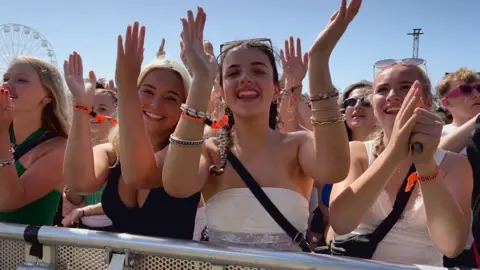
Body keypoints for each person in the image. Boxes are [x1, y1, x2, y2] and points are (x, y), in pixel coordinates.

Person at [162, 3, 353, 251]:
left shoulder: (298, 144)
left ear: (276, 89)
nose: (245, 78)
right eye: (232, 73)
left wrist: (319, 60)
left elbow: (334, 169)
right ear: (221, 91)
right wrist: (200, 79)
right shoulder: (210, 151)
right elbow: (178, 185)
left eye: (258, 70)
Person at [327, 62, 472, 266]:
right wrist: (394, 152)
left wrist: (426, 165)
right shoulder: (356, 153)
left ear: (428, 102)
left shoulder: (455, 165)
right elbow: (340, 223)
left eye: (406, 87)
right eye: (382, 90)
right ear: (374, 106)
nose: (392, 95)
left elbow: (452, 245)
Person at [63, 23, 199, 239]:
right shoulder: (111, 152)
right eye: (147, 91)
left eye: (170, 98)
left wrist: (125, 85)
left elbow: (142, 176)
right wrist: (81, 107)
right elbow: (80, 182)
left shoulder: (187, 153)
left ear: (184, 105)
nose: (155, 104)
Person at [0, 56, 70, 226]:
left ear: (48, 96)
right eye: (6, 78)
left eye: (21, 80)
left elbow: (9, 202)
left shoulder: (60, 148)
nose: (7, 85)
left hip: (23, 249)